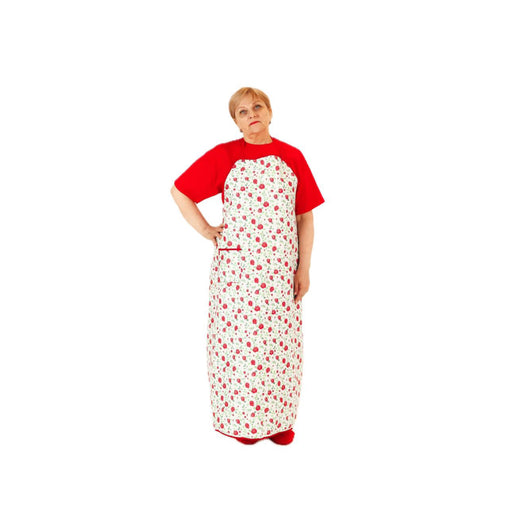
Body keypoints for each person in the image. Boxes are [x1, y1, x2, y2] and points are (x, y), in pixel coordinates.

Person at [170, 87, 325, 445]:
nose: (252, 113)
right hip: (237, 276)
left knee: (280, 348)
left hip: (280, 274)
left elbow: (305, 217)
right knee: (240, 348)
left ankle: (279, 422)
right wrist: (206, 229)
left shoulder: (292, 157)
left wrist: (304, 269)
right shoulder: (225, 156)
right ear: (236, 122)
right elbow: (180, 191)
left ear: (270, 112)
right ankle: (244, 423)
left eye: (257, 106)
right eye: (242, 111)